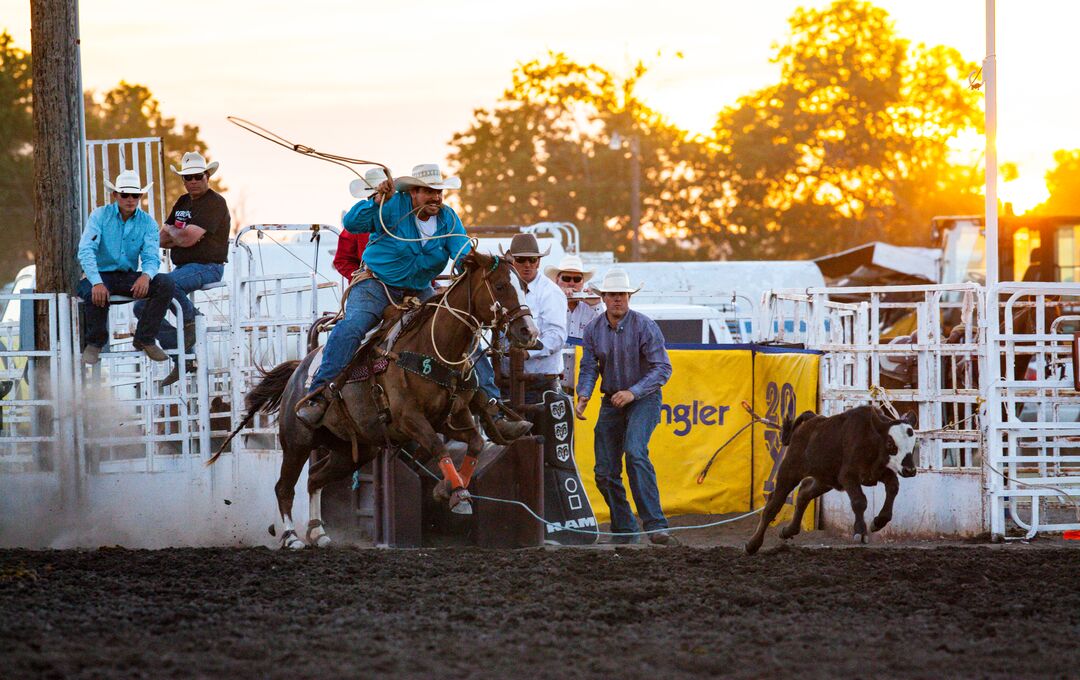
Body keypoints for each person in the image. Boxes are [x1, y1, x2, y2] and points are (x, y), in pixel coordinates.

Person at [295, 163, 526, 442]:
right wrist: (376, 200)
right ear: (414, 192)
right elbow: (353, 224)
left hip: (419, 289)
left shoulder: (448, 219)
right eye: (429, 192)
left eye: (439, 192)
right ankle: (319, 395)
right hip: (376, 284)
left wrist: (486, 261)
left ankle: (494, 412)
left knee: (465, 333)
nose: (436, 198)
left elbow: (462, 250)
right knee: (353, 326)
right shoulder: (392, 206)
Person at [574, 268, 678, 546]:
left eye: (621, 294)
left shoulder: (645, 326)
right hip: (612, 400)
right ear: (604, 298)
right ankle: (625, 528)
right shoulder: (593, 330)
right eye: (612, 294)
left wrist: (632, 392)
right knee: (604, 471)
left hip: (643, 399)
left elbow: (662, 369)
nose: (617, 299)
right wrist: (584, 393)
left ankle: (655, 524)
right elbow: (588, 366)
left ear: (628, 297)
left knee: (634, 452)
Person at [141, 151, 230, 385]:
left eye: (197, 176)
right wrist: (176, 234)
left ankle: (192, 320)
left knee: (167, 284)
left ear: (206, 176)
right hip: (184, 268)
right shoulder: (182, 202)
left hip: (208, 266)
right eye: (187, 177)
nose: (192, 181)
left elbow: (186, 238)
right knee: (141, 305)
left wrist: (174, 232)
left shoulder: (215, 203)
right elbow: (162, 239)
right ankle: (183, 353)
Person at [76, 170, 176, 365]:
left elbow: (151, 256)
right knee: (92, 292)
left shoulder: (147, 222)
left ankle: (145, 338)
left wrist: (146, 276)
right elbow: (86, 250)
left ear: (140, 197)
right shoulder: (99, 215)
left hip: (127, 276)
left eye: (135, 195)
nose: (130, 199)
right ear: (115, 195)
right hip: (100, 274)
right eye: (125, 195)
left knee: (165, 283)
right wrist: (96, 281)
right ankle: (94, 342)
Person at [482, 233, 567, 403]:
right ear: (512, 261)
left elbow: (556, 336)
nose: (527, 265)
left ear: (538, 262)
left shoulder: (550, 292)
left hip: (539, 383)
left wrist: (527, 353)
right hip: (504, 381)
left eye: (532, 259)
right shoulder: (503, 290)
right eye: (521, 260)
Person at [333, 170, 383, 280]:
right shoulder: (356, 224)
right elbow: (342, 260)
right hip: (370, 282)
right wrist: (360, 276)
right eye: (376, 197)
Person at [546, 254, 603, 340]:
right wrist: (560, 297)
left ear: (583, 282)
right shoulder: (547, 300)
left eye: (577, 279)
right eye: (566, 278)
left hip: (583, 353)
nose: (572, 283)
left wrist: (596, 305)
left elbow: (604, 332)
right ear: (557, 280)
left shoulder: (590, 306)